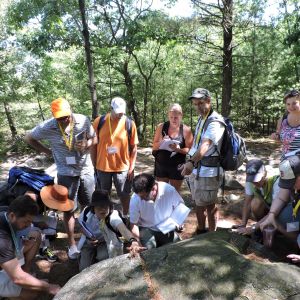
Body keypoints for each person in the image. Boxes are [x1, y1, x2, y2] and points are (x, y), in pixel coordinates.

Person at [25, 97, 96, 259]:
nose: (64, 119)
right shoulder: (48, 126)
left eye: (66, 115)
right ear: (53, 115)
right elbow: (29, 138)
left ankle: (89, 235)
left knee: (89, 205)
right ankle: (72, 245)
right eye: (60, 117)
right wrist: (47, 152)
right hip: (65, 172)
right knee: (68, 209)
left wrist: (87, 144)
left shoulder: (83, 120)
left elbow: (95, 138)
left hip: (86, 170)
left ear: (70, 110)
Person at [180, 88, 225, 233]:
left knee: (210, 205)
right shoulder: (202, 118)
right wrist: (190, 160)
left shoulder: (215, 122)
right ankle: (200, 230)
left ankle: (212, 235)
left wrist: (191, 162)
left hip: (208, 171)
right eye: (195, 104)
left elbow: (205, 145)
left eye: (201, 103)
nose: (198, 106)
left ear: (209, 101)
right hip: (198, 169)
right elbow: (197, 143)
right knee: (198, 203)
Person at [0, 196, 60, 299]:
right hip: (3, 264)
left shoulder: (6, 212)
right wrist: (49, 287)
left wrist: (20, 239)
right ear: (12, 215)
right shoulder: (2, 239)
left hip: (5, 258)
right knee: (32, 293)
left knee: (35, 235)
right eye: (26, 221)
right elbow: (18, 278)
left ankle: (25, 273)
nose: (28, 225)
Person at [91, 97, 139, 217]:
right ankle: (106, 217)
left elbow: (134, 147)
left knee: (124, 194)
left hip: (122, 167)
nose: (120, 114)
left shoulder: (129, 123)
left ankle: (126, 215)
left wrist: (132, 167)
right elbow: (93, 145)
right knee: (103, 195)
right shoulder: (99, 121)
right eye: (118, 112)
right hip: (102, 167)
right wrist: (94, 165)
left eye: (122, 112)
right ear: (110, 109)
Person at [77, 190, 145, 271]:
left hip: (105, 242)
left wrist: (133, 240)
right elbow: (81, 226)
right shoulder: (86, 212)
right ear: (93, 208)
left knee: (104, 257)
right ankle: (84, 257)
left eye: (105, 206)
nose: (103, 209)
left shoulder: (113, 216)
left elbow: (122, 229)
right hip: (88, 242)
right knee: (83, 269)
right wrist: (89, 237)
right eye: (99, 206)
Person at [130, 173, 190, 249]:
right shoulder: (135, 199)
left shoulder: (168, 190)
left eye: (144, 196)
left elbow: (180, 206)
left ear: (154, 188)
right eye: (140, 196)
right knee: (148, 250)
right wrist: (136, 241)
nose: (141, 199)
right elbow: (133, 224)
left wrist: (179, 222)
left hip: (166, 227)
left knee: (176, 248)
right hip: (146, 228)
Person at [260, 155, 300, 263]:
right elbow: (281, 197)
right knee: (280, 217)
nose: (290, 187)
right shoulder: (293, 177)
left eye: (291, 183)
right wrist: (272, 215)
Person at [152, 103, 193, 192]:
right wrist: (162, 142)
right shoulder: (161, 127)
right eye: (171, 117)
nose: (173, 120)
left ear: (181, 115)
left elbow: (190, 149)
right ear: (168, 115)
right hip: (161, 165)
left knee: (174, 193)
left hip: (177, 167)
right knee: (161, 192)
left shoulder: (186, 130)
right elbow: (154, 147)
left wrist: (178, 149)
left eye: (176, 118)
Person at [233, 159, 280, 235]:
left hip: (279, 209)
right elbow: (247, 203)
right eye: (252, 180)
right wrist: (243, 224)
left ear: (265, 173)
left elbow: (274, 211)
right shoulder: (250, 181)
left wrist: (253, 228)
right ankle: (262, 227)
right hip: (268, 207)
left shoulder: (276, 183)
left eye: (257, 179)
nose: (255, 182)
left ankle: (271, 228)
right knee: (255, 203)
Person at [270, 89, 300, 159]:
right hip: (286, 162)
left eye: (294, 103)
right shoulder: (283, 119)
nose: (291, 107)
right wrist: (275, 137)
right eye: (288, 104)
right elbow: (280, 141)